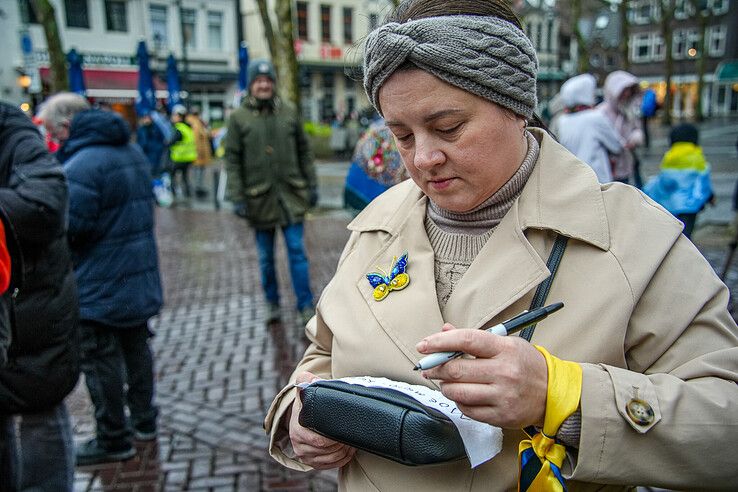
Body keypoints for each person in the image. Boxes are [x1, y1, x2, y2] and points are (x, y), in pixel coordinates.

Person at [263, 1, 738, 490]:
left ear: (516, 106)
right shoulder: (375, 225)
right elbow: (321, 353)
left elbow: (726, 430)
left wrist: (562, 396)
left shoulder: (633, 237)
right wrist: (298, 415)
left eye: (449, 127)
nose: (423, 158)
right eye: (401, 135)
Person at [44, 94, 164, 466]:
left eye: (54, 132)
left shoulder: (80, 166)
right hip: (137, 276)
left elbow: (71, 229)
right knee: (136, 348)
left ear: (66, 126)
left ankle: (113, 437)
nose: (56, 140)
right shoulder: (131, 153)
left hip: (98, 282)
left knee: (101, 360)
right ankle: (144, 420)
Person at [0, 100, 80, 491]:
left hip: (30, 314)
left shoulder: (14, 135)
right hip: (28, 313)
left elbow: (47, 205)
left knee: (41, 417)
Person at [224, 59, 318, 326]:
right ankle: (272, 303)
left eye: (267, 80)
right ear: (252, 85)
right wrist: (237, 196)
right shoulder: (238, 119)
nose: (263, 85)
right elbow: (231, 160)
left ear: (273, 84)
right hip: (258, 199)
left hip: (291, 197)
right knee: (266, 259)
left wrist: (311, 185)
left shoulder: (289, 112)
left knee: (297, 253)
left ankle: (305, 305)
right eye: (258, 81)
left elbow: (304, 152)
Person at [643, 123, 714, 239]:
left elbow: (663, 181)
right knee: (686, 237)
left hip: (670, 206)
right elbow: (703, 182)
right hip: (690, 207)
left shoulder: (669, 157)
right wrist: (710, 196)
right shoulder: (697, 157)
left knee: (672, 235)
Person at [556, 73, 624, 183]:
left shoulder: (562, 120)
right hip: (597, 179)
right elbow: (616, 146)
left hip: (573, 179)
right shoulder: (595, 117)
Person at [598, 70, 644, 186]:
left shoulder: (629, 110)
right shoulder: (601, 113)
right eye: (624, 90)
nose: (627, 94)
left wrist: (635, 138)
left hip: (626, 164)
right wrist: (618, 145)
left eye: (629, 90)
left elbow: (637, 128)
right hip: (607, 167)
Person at [169, 104, 196, 200]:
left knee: (171, 176)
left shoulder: (179, 128)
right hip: (189, 157)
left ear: (179, 116)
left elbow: (171, 142)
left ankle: (174, 194)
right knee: (185, 177)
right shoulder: (188, 127)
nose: (172, 117)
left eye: (174, 115)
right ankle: (188, 194)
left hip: (179, 157)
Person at [185, 106, 213, 198]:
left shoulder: (198, 122)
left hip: (202, 151)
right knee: (198, 170)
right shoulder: (194, 123)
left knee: (200, 170)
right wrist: (198, 151)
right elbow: (197, 138)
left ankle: (199, 187)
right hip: (199, 151)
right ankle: (198, 188)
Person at [136, 112, 166, 178]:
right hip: (145, 153)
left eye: (148, 118)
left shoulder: (156, 127)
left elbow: (162, 138)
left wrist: (159, 147)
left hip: (156, 154)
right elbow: (138, 141)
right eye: (145, 118)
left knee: (156, 172)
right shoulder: (141, 129)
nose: (146, 120)